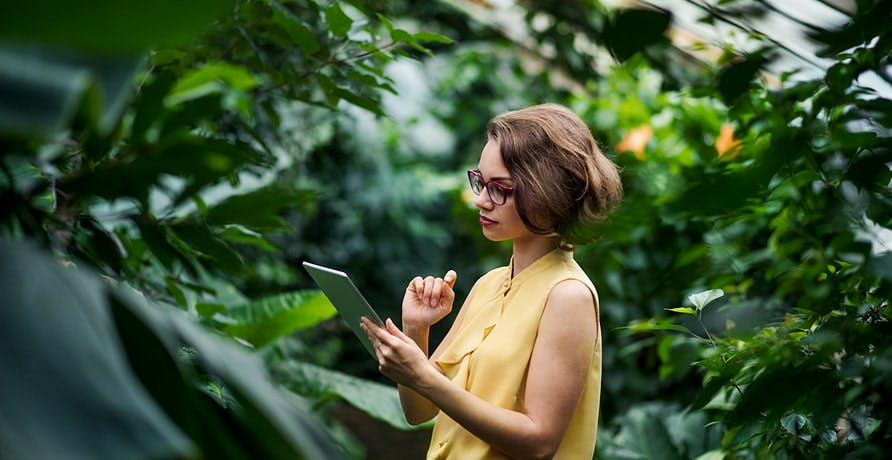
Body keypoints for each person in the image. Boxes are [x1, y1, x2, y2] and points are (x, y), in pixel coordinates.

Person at [361, 103, 622, 459]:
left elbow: (540, 442)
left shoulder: (568, 295)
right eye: (480, 182)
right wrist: (416, 330)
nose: (481, 200)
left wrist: (423, 375)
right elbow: (419, 411)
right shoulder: (491, 283)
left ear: (547, 191)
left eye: (499, 188)